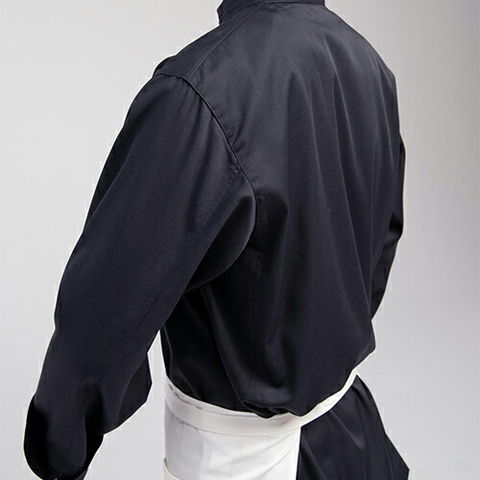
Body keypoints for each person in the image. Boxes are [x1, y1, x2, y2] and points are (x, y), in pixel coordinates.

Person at [23, 0, 409, 478]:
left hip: (244, 463)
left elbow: (104, 315)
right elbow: (381, 242)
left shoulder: (201, 92)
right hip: (356, 443)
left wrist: (58, 450)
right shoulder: (370, 67)